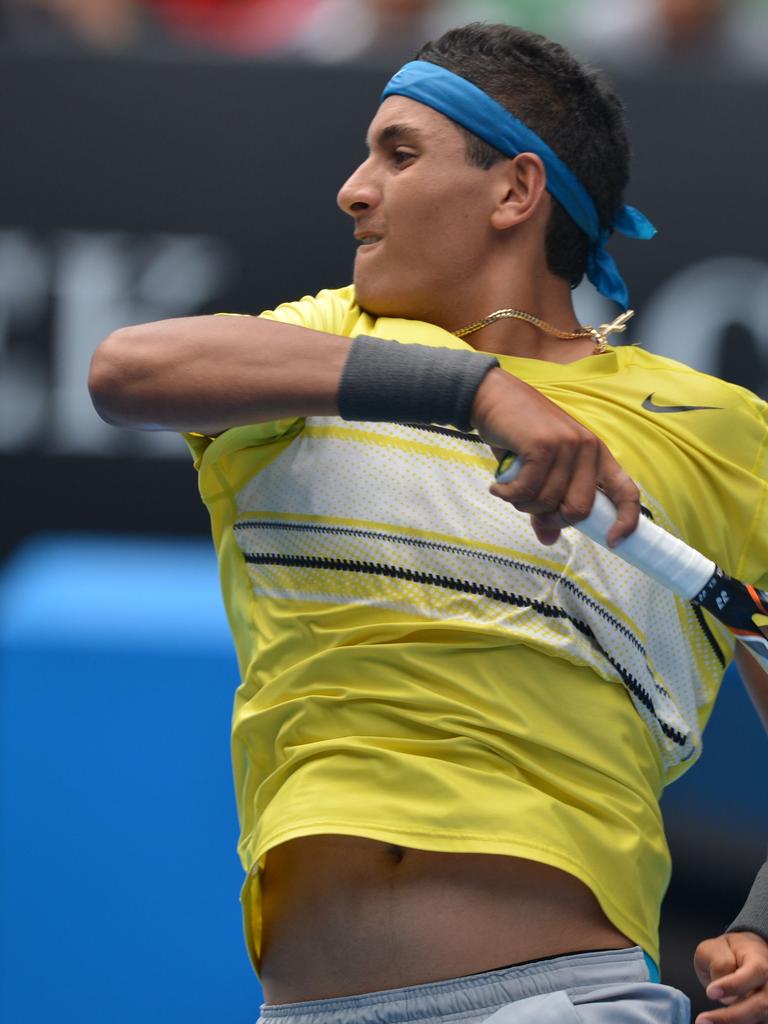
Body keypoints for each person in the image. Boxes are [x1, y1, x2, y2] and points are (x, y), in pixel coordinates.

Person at [88, 22, 768, 1024]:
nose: (354, 190)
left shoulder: (721, 431)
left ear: (514, 192)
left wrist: (763, 923)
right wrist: (472, 388)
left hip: (560, 1002)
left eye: (398, 153)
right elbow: (124, 372)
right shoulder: (327, 343)